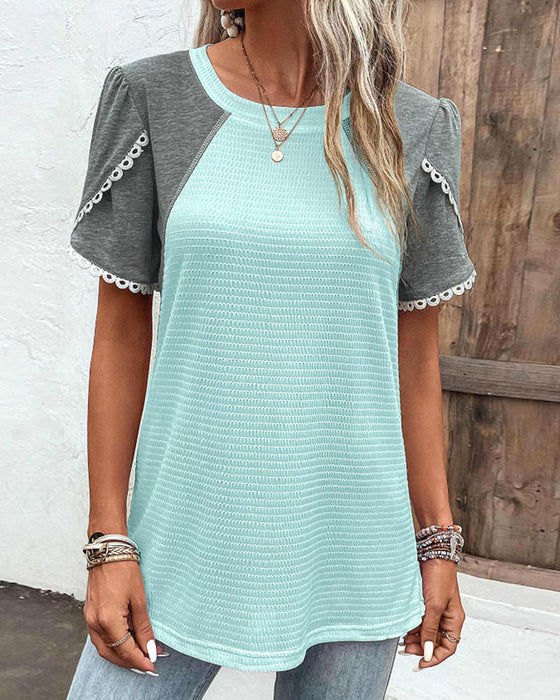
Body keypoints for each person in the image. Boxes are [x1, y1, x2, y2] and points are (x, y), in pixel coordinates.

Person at [65, 1, 475, 698]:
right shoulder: (153, 97)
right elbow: (122, 333)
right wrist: (109, 541)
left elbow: (414, 360)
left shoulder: (414, 124)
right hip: (183, 541)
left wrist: (437, 542)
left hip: (356, 548)